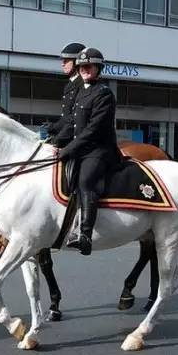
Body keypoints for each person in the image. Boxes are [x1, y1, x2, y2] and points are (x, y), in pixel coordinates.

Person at [59, 47, 121, 256]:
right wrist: (56, 142)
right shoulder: (82, 92)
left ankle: (85, 235)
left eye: (89, 66)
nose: (84, 69)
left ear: (97, 68)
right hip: (83, 148)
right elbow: (73, 126)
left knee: (85, 180)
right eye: (81, 66)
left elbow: (93, 129)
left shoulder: (104, 94)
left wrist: (69, 149)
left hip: (99, 150)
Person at [46, 42, 86, 148]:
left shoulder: (83, 84)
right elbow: (66, 117)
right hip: (68, 133)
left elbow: (75, 117)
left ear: (77, 62)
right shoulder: (70, 84)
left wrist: (58, 137)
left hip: (79, 137)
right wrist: (53, 128)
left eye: (66, 60)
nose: (62, 64)